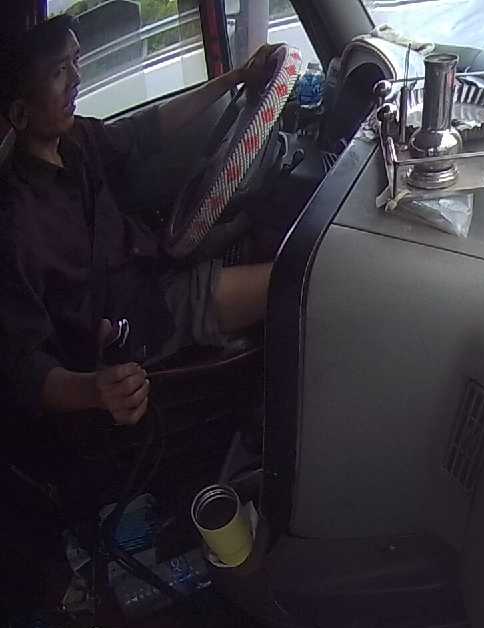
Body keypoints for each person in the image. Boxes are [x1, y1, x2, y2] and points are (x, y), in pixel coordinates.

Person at [0, 15, 278, 428]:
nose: (76, 79)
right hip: (146, 314)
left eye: (76, 61)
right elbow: (24, 366)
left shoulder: (76, 141)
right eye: (59, 72)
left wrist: (233, 79)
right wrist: (94, 390)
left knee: (265, 227)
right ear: (20, 114)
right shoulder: (15, 223)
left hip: (153, 262)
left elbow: (146, 130)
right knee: (296, 278)